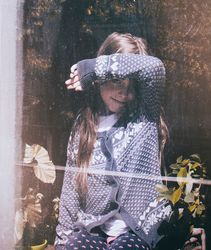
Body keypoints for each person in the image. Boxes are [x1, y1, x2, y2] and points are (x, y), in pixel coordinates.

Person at [55, 32, 172, 250]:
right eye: (117, 80)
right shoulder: (84, 124)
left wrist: (95, 67)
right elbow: (70, 191)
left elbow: (154, 68)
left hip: (139, 231)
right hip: (93, 230)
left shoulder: (144, 116)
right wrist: (62, 243)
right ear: (99, 81)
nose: (124, 92)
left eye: (132, 84)